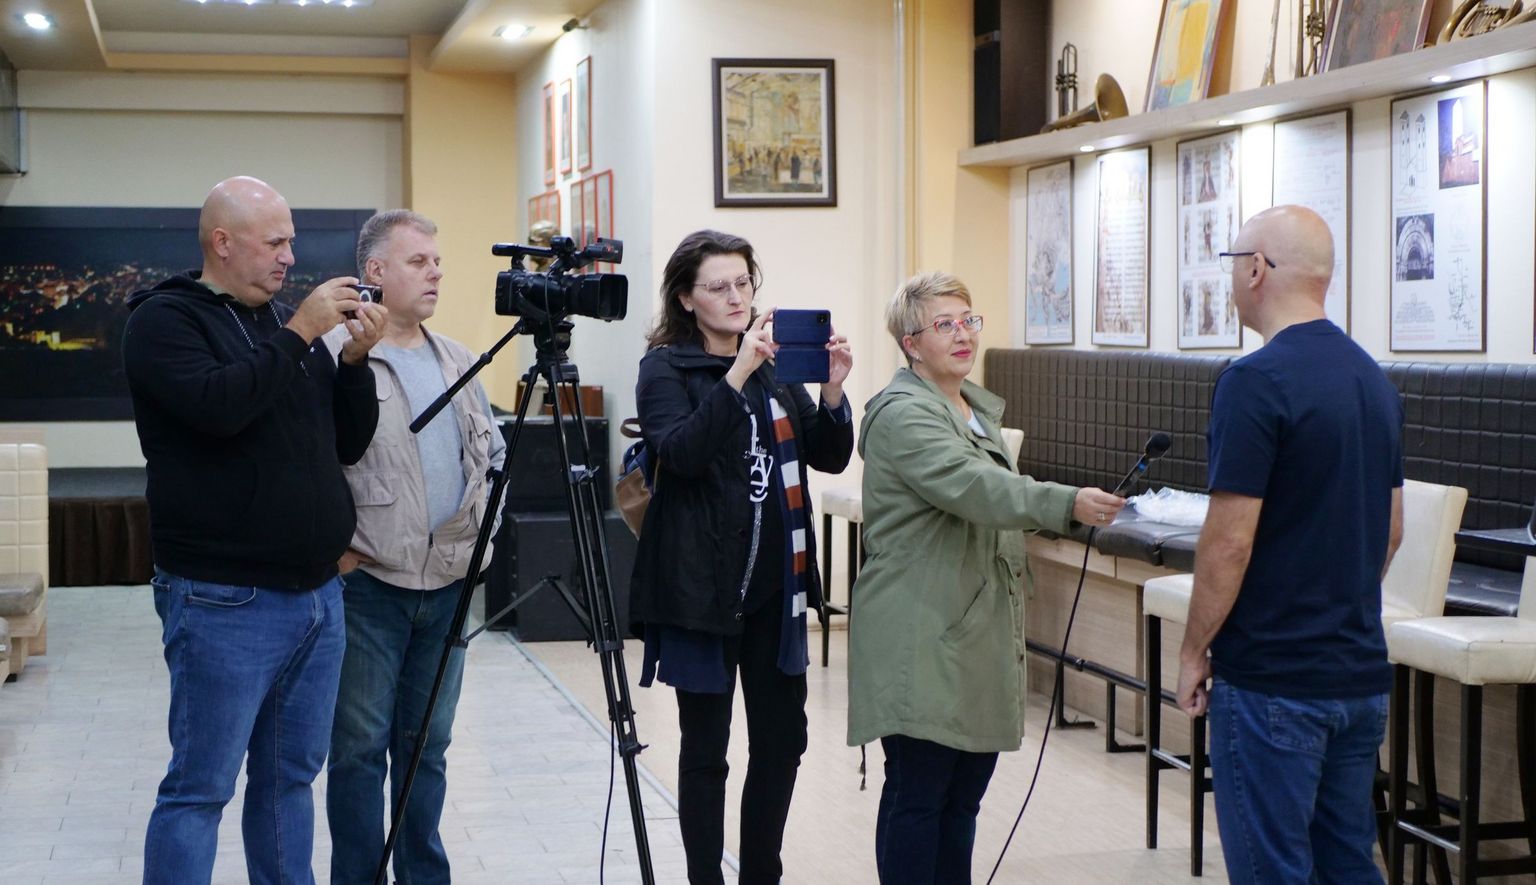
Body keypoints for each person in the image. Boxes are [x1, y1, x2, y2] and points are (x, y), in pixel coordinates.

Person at [124, 175, 386, 885]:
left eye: (290, 241)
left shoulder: (280, 324)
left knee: (290, 780)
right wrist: (303, 334)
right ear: (222, 242)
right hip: (223, 598)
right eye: (274, 242)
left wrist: (353, 363)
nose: (288, 256)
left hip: (317, 597)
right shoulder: (164, 322)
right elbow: (220, 408)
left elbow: (348, 442)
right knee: (200, 788)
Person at [847, 271, 1125, 884]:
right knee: (920, 795)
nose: (963, 335)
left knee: (962, 799)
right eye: (943, 324)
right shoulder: (903, 416)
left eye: (968, 321)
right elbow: (976, 486)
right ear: (910, 344)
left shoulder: (973, 409)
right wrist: (1066, 503)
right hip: (920, 631)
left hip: (971, 628)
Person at [1176, 205, 1404, 884]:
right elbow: (1392, 528)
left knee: (1271, 870)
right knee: (1348, 866)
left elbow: (1228, 543)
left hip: (1272, 681)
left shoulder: (1254, 381)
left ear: (1255, 269)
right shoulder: (1373, 380)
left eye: (1231, 262)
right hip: (1359, 677)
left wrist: (1192, 650)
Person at [629, 229, 855, 884]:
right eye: (718, 286)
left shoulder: (776, 368)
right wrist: (736, 375)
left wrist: (833, 391)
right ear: (685, 298)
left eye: (743, 282)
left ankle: (762, 873)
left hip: (775, 592)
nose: (736, 297)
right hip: (700, 593)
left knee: (782, 743)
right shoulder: (666, 369)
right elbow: (682, 452)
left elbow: (828, 454)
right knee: (706, 751)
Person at [322, 210, 506, 884]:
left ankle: (424, 875)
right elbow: (310, 464)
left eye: (437, 262)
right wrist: (337, 552)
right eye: (418, 261)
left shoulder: (457, 358)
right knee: (359, 751)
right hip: (369, 588)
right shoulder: (336, 354)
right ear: (375, 271)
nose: (435, 273)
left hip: (450, 588)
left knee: (427, 746)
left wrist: (483, 536)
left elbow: (495, 457)